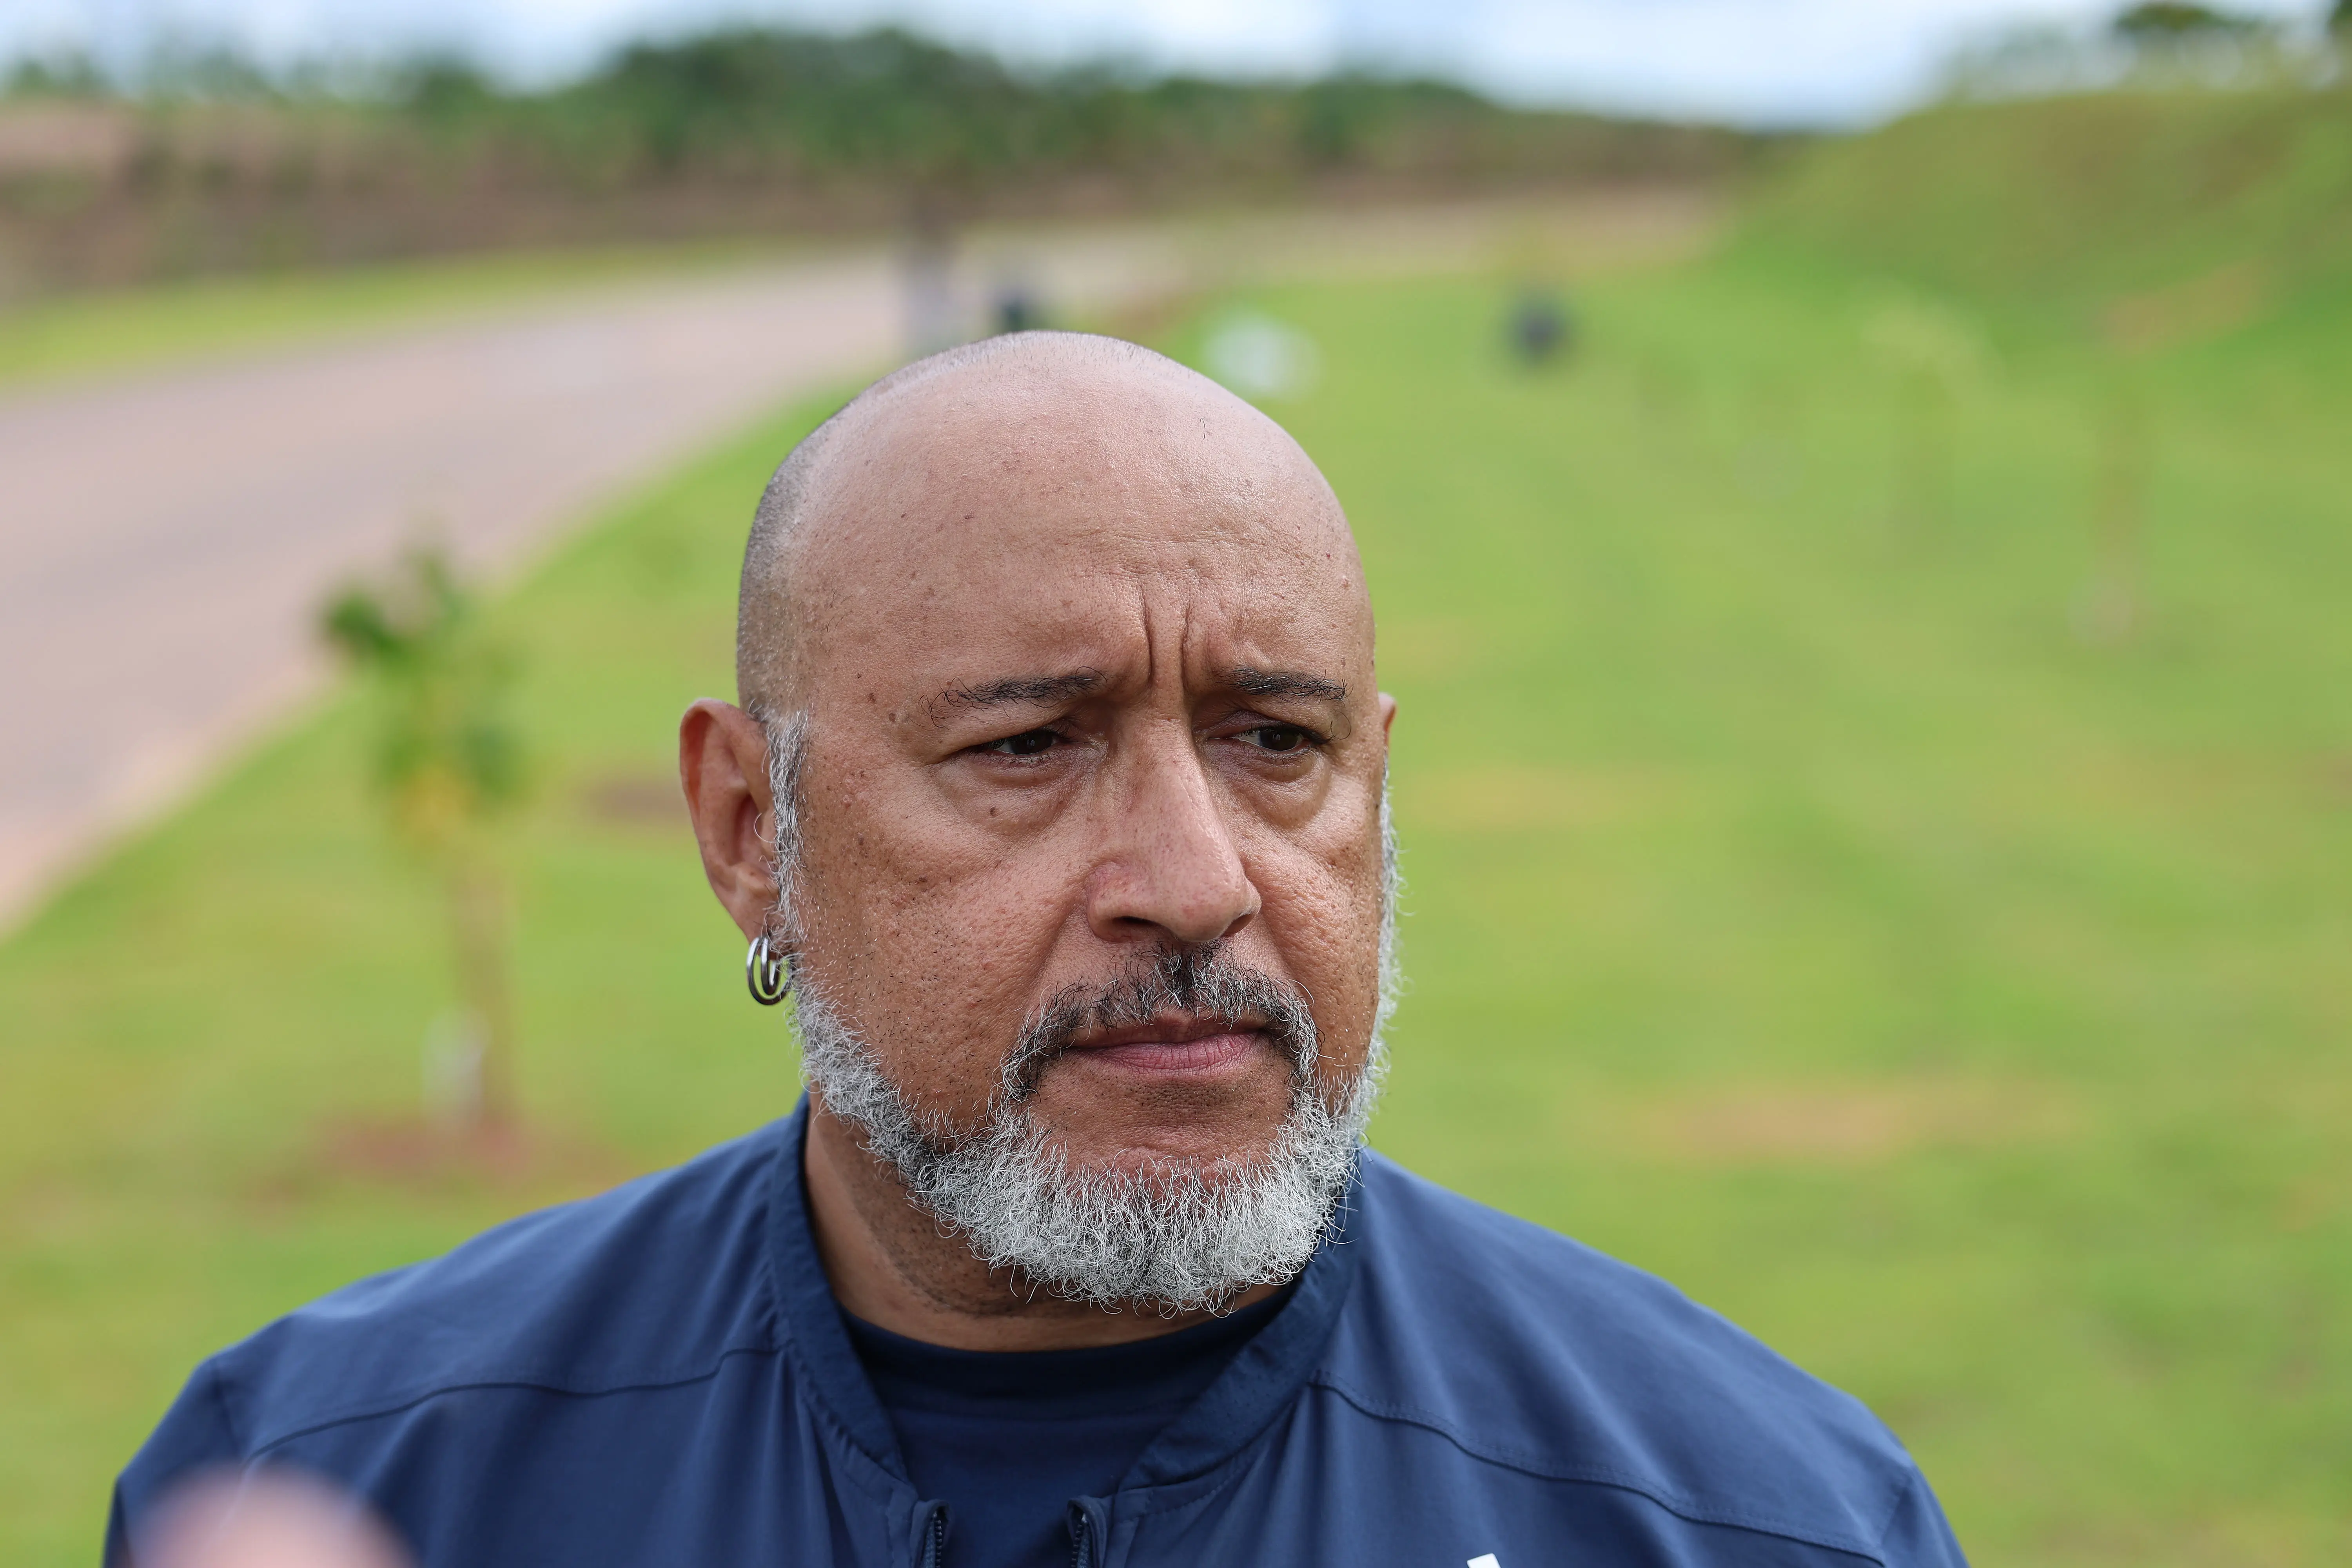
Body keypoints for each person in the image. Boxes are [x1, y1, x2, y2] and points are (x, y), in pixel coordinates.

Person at [111, 332, 1968, 1568]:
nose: (1196, 878)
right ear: (753, 831)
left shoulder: (1744, 1517)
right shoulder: (362, 1475)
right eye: (1026, 746)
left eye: (1276, 744)